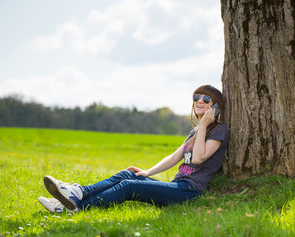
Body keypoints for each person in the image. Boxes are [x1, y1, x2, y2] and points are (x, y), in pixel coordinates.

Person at [38, 85, 229, 212]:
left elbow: (198, 159)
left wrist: (204, 126)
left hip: (190, 192)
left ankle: (74, 207)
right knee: (128, 175)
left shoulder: (219, 130)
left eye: (206, 99)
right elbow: (173, 157)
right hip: (178, 185)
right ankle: (77, 193)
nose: (200, 101)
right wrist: (147, 172)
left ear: (216, 108)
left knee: (130, 186)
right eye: (197, 97)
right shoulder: (195, 132)